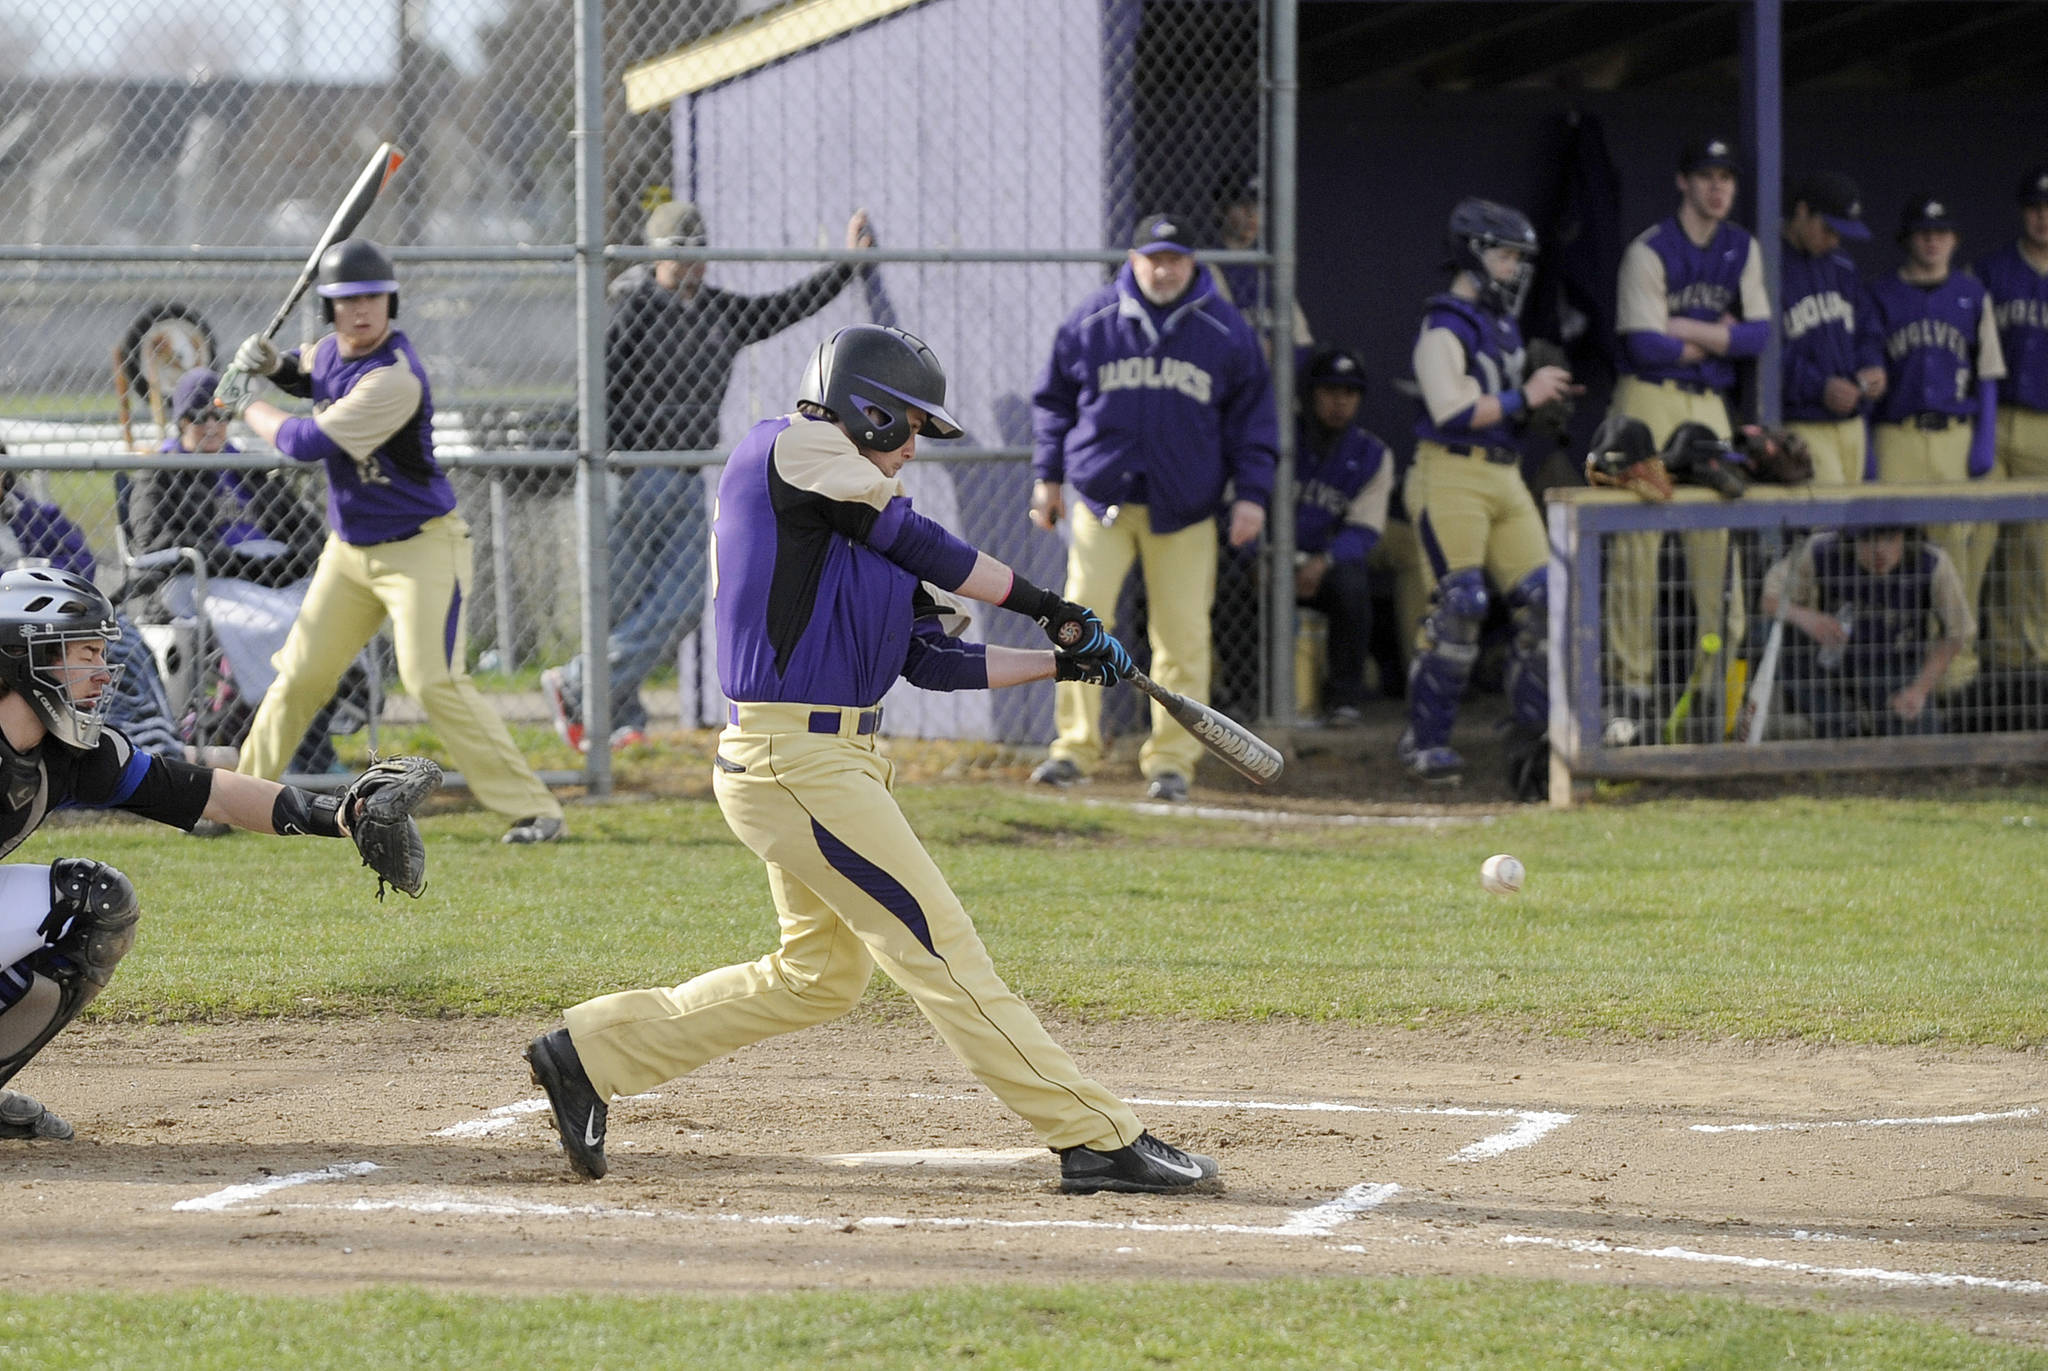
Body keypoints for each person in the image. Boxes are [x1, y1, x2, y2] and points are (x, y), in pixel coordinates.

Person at [523, 325, 1220, 1196]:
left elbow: (933, 658)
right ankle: (1095, 1135)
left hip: (826, 762)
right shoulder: (791, 448)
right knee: (942, 950)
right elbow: (922, 541)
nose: (913, 447)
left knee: (817, 978)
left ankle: (589, 1052)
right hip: (794, 760)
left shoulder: (861, 518)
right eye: (909, 426)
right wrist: (1047, 604)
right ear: (867, 409)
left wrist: (1061, 662)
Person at [0, 567, 427, 1141]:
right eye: (86, 653)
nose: (103, 672)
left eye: (102, 652)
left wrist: (342, 815)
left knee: (94, 902)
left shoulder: (73, 755)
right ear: (28, 656)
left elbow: (210, 793)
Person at [221, 238, 567, 843]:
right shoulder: (331, 348)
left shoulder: (395, 378)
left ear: (391, 303)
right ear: (330, 307)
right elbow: (308, 370)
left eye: (373, 298)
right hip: (350, 552)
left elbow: (304, 442)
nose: (362, 310)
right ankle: (236, 801)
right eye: (348, 300)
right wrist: (274, 364)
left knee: (432, 680)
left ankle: (536, 810)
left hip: (420, 550)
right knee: (299, 675)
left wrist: (245, 403)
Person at [540, 200, 876, 753]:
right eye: (679, 253)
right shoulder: (631, 305)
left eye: (700, 251)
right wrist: (605, 464)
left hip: (681, 473)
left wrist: (846, 266)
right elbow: (594, 393)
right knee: (621, 606)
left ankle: (577, 684)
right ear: (655, 255)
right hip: (625, 474)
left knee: (682, 603)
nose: (692, 263)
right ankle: (615, 719)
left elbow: (785, 308)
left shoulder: (718, 310)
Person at [1027, 211, 1277, 803]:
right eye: (1153, 259)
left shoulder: (1224, 329)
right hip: (1101, 502)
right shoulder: (1093, 319)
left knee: (1182, 637)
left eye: (1175, 260)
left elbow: (1253, 422)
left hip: (1185, 509)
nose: (1164, 271)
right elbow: (1054, 403)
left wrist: (1252, 495)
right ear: (1132, 261)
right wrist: (1048, 477)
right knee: (1079, 624)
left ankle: (1172, 762)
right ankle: (1074, 749)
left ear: (1193, 263)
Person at [1399, 199, 1573, 796]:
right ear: (1473, 255)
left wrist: (1537, 403)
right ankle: (1425, 742)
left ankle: (1533, 738)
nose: (1513, 268)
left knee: (1547, 601)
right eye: (1504, 256)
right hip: (1449, 474)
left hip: (1504, 474)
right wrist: (1526, 396)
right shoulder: (1443, 324)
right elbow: (1451, 410)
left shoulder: (1501, 323)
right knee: (1461, 606)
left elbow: (1505, 403)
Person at [1605, 136, 1772, 743]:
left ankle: (1715, 692)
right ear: (1683, 182)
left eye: (1726, 177)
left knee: (1719, 546)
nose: (1717, 187)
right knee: (1637, 545)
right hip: (1648, 397)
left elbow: (1759, 336)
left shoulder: (1741, 247)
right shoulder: (1650, 249)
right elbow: (1644, 345)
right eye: (1706, 176)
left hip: (1708, 404)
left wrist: (1684, 328)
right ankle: (1631, 688)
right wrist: (1716, 337)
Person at [1864, 194, 2006, 691]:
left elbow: (1988, 374)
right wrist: (1868, 449)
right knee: (1888, 557)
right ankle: (1889, 672)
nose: (1932, 241)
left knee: (1954, 562)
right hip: (1896, 434)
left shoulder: (1972, 293)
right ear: (1907, 239)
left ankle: (1955, 678)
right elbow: (1868, 375)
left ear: (1955, 240)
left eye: (1941, 233)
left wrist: (1984, 441)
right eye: (1923, 232)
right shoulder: (1881, 293)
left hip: (1952, 436)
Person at [1761, 526, 1972, 738]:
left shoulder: (1931, 561)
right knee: (1785, 647)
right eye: (1867, 539)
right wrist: (1806, 617)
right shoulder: (1822, 548)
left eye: (1890, 538)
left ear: (1905, 536)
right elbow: (1768, 599)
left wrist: (1919, 689)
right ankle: (1842, 725)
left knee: (1921, 739)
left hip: (1897, 666)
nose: (1879, 550)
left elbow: (1958, 631)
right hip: (1834, 658)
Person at [1292, 347, 1393, 726]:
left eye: (1349, 392)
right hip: (1269, 560)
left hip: (1324, 561)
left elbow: (1364, 531)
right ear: (1311, 393)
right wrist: (1256, 557)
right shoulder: (1279, 438)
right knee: (1232, 580)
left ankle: (1343, 698)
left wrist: (1323, 561)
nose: (1340, 401)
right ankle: (1240, 695)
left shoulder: (1372, 454)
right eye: (1330, 390)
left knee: (1352, 585)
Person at [1974, 165, 2048, 671]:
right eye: (2035, 208)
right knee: (1977, 540)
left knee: (2037, 552)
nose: (2043, 217)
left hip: (2044, 425)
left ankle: (2030, 663)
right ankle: (1980, 661)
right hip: (1995, 419)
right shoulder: (1993, 271)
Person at [1779, 172, 1886, 485]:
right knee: (1825, 516)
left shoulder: (1842, 265)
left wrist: (1872, 365)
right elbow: (1766, 352)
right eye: (1828, 229)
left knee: (1854, 515)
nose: (1834, 240)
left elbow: (1868, 328)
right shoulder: (1768, 263)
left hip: (1852, 424)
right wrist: (1818, 386)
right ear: (1802, 211)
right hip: (1801, 424)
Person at [1208, 171, 1313, 358]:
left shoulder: (1270, 266)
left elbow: (1303, 340)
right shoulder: (1209, 266)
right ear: (1221, 210)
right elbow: (1226, 337)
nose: (1252, 214)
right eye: (1242, 205)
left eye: (1258, 206)